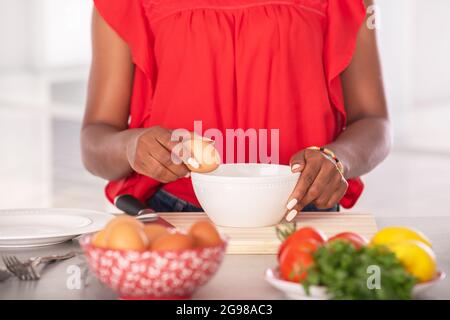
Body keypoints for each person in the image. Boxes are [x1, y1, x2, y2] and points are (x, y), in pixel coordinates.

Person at [81, 0, 391, 220]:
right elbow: (95, 141)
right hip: (170, 218)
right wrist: (132, 146)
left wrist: (337, 160)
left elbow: (374, 122)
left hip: (303, 214)